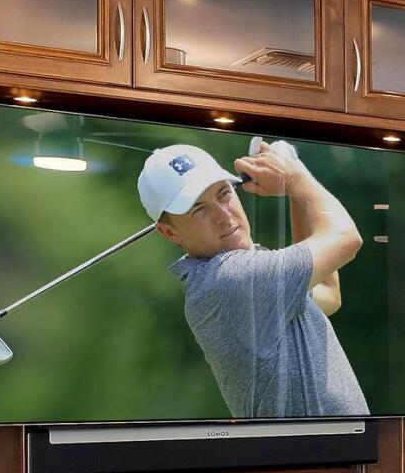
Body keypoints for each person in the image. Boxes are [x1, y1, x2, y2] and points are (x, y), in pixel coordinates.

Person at [135, 138, 370, 419]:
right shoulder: (227, 280)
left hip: (339, 456)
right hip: (315, 460)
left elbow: (328, 296)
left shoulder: (252, 270)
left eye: (223, 194)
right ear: (170, 232)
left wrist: (295, 185)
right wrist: (296, 178)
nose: (224, 216)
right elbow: (347, 239)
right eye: (199, 210)